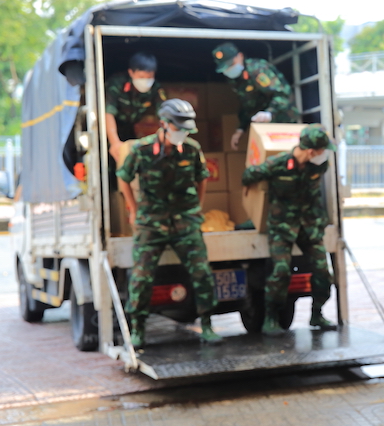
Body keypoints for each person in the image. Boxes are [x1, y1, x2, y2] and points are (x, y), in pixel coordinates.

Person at [116, 99, 222, 349]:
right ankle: (138, 329)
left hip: (185, 220)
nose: (182, 133)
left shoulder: (192, 148)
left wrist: (197, 206)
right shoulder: (141, 149)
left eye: (186, 129)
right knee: (141, 277)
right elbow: (123, 179)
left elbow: (202, 178)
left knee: (202, 273)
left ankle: (207, 324)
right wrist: (133, 210)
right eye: (178, 128)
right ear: (164, 124)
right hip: (151, 222)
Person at [240, 124, 337, 336]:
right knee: (281, 271)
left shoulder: (318, 166)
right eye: (322, 150)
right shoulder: (278, 164)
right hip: (282, 227)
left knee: (323, 272)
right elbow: (248, 176)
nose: (325, 154)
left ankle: (317, 313)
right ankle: (271, 318)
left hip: (308, 227)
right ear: (312, 151)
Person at [211, 42, 300, 150]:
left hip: (283, 121)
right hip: (263, 127)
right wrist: (241, 129)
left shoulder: (257, 69)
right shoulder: (235, 80)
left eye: (231, 64)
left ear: (240, 56)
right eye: (225, 67)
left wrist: (270, 113)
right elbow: (247, 105)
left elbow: (282, 94)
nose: (229, 69)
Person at [105, 51, 166, 159]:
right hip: (108, 129)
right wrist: (114, 142)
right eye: (141, 77)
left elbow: (164, 113)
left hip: (130, 128)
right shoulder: (117, 84)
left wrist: (166, 137)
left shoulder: (156, 88)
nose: (146, 81)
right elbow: (108, 112)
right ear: (131, 73)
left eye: (150, 77)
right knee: (109, 159)